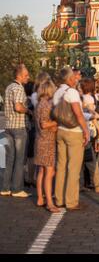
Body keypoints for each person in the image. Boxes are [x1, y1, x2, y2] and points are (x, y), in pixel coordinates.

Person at [54, 67, 89, 210]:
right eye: (74, 77)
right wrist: (86, 131)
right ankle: (71, 201)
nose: (76, 78)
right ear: (69, 79)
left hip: (60, 130)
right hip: (73, 131)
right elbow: (78, 114)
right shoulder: (72, 92)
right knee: (73, 167)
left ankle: (59, 198)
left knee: (61, 166)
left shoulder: (57, 92)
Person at [1, 64, 32, 198]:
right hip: (18, 127)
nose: (28, 77)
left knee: (10, 159)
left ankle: (5, 187)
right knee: (19, 160)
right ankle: (17, 188)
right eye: (26, 75)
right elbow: (18, 107)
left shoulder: (8, 87)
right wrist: (29, 111)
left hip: (8, 126)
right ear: (19, 75)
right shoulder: (18, 88)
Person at [34, 79, 60, 212]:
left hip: (40, 140)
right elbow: (45, 124)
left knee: (41, 171)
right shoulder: (46, 104)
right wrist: (56, 123)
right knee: (49, 172)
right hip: (47, 142)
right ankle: (50, 202)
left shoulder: (39, 103)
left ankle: (40, 198)